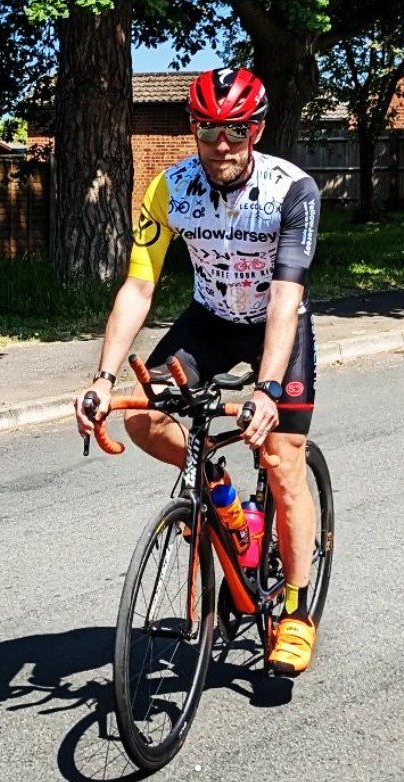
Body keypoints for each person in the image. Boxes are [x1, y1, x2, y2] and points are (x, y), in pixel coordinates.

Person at [74, 67, 321, 675]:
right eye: (209, 130)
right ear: (193, 130)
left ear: (256, 130)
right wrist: (102, 378)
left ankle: (295, 609)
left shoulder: (293, 191)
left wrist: (266, 390)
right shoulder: (169, 188)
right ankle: (219, 494)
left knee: (282, 458)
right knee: (144, 419)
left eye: (237, 130)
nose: (222, 145)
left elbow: (286, 297)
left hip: (274, 324)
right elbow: (139, 286)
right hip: (209, 320)